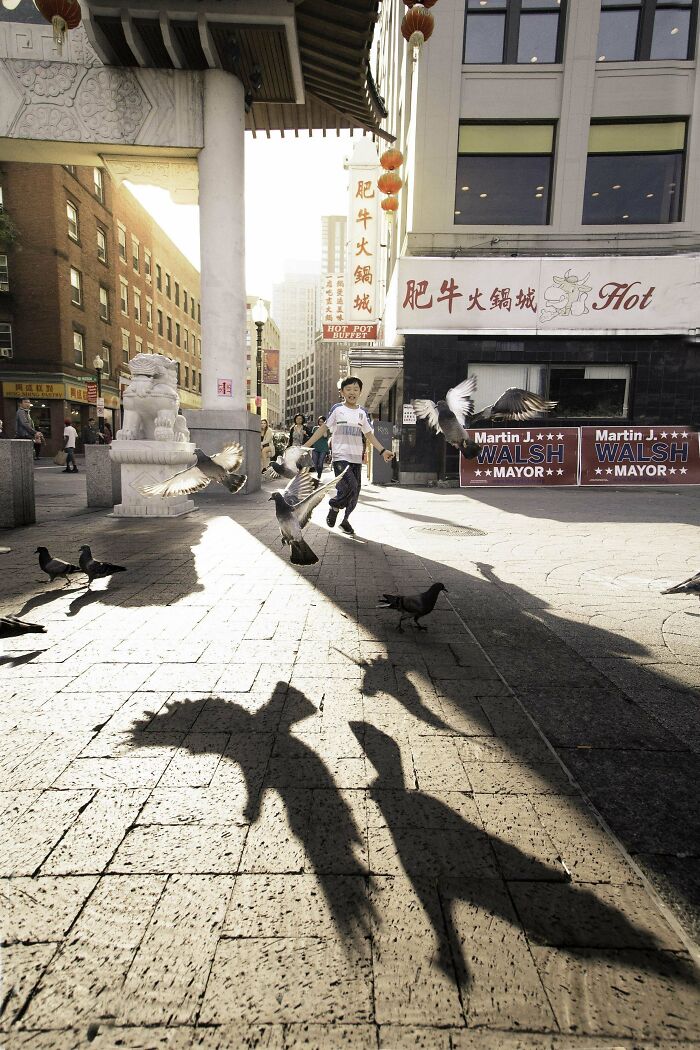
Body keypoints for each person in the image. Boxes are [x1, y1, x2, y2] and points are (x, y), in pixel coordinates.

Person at [304, 376, 393, 537]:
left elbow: (369, 435)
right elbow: (322, 429)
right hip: (340, 457)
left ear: (360, 392)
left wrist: (382, 450)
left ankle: (345, 521)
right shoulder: (337, 409)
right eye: (348, 389)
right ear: (342, 392)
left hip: (356, 458)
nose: (352, 392)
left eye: (356, 389)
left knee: (355, 491)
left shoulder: (362, 413)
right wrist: (306, 446)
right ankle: (334, 506)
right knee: (350, 486)